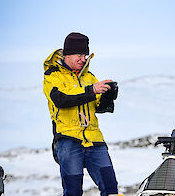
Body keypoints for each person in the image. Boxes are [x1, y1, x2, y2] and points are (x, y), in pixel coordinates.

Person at [43, 32, 119, 196]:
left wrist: (108, 96)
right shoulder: (53, 76)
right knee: (73, 192)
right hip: (68, 140)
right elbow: (61, 99)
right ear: (67, 55)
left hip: (94, 140)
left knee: (111, 189)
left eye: (85, 55)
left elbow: (98, 107)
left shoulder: (89, 77)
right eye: (79, 55)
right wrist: (92, 90)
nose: (83, 59)